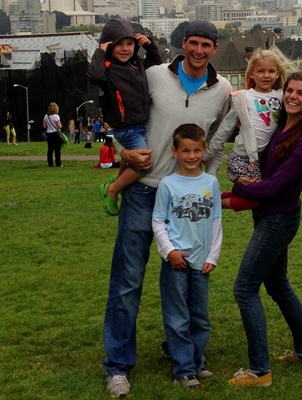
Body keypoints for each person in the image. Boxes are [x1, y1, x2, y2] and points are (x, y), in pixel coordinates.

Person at [102, 20, 231, 398]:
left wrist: (206, 182)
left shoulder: (222, 90)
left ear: (214, 48)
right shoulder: (154, 75)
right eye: (193, 43)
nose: (199, 51)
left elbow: (216, 142)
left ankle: (184, 354)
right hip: (144, 191)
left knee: (186, 284)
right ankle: (118, 366)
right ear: (183, 43)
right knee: (127, 282)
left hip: (187, 201)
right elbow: (121, 111)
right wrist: (122, 150)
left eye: (206, 45)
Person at [227, 72, 302, 388]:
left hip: (278, 218)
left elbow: (275, 186)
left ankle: (259, 371)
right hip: (271, 215)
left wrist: (236, 191)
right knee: (278, 285)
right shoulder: (282, 126)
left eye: (301, 93)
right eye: (289, 91)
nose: (292, 96)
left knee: (244, 288)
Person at [152, 124, 223, 390]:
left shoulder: (211, 182)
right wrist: (169, 251)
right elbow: (158, 221)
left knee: (200, 317)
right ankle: (183, 369)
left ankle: (196, 361)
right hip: (176, 262)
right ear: (175, 151)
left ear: (204, 150)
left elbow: (216, 220)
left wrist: (213, 256)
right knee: (177, 317)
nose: (191, 156)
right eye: (185, 151)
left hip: (201, 262)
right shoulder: (168, 184)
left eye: (196, 150)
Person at [204, 49, 302, 211]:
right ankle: (211, 203)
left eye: (271, 71)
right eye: (261, 71)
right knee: (256, 196)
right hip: (242, 156)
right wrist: (207, 155)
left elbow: (301, 105)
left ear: (278, 74)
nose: (266, 76)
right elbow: (225, 129)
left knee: (257, 193)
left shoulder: (281, 96)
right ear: (251, 74)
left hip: (260, 158)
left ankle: (214, 199)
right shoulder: (243, 98)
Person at [88, 17, 162, 216]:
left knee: (133, 160)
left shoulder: (137, 64)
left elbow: (156, 63)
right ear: (109, 46)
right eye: (118, 44)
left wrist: (150, 46)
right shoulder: (107, 69)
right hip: (126, 127)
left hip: (140, 123)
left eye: (129, 44)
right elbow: (94, 75)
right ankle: (112, 190)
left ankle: (116, 180)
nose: (124, 49)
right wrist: (100, 51)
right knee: (145, 164)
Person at [42, 102, 63, 167]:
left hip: (49, 133)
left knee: (50, 150)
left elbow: (44, 126)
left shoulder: (46, 116)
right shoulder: (56, 116)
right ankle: (58, 163)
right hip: (56, 133)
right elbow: (59, 126)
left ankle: (50, 163)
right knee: (57, 149)